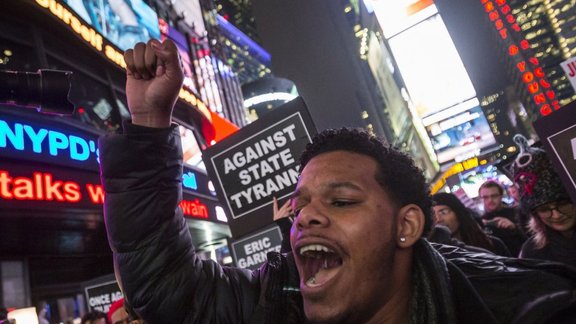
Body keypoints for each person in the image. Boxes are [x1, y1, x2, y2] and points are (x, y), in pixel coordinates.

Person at [98, 39, 576, 323]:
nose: (307, 216)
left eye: (342, 201)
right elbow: (163, 284)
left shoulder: (523, 306)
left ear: (406, 226)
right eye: (299, 203)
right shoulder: (276, 299)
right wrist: (147, 119)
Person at [513, 146, 576, 268]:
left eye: (562, 204)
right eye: (544, 209)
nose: (556, 215)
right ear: (535, 215)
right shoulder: (532, 253)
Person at [431, 192, 510, 256]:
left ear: (458, 213)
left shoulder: (493, 243)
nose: (438, 219)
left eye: (444, 212)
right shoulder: (435, 255)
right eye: (433, 214)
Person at [478, 180, 526, 256]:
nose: (490, 200)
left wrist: (514, 228)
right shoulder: (480, 222)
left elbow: (532, 240)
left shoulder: (518, 213)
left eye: (494, 196)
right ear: (481, 199)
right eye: (485, 197)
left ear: (501, 196)